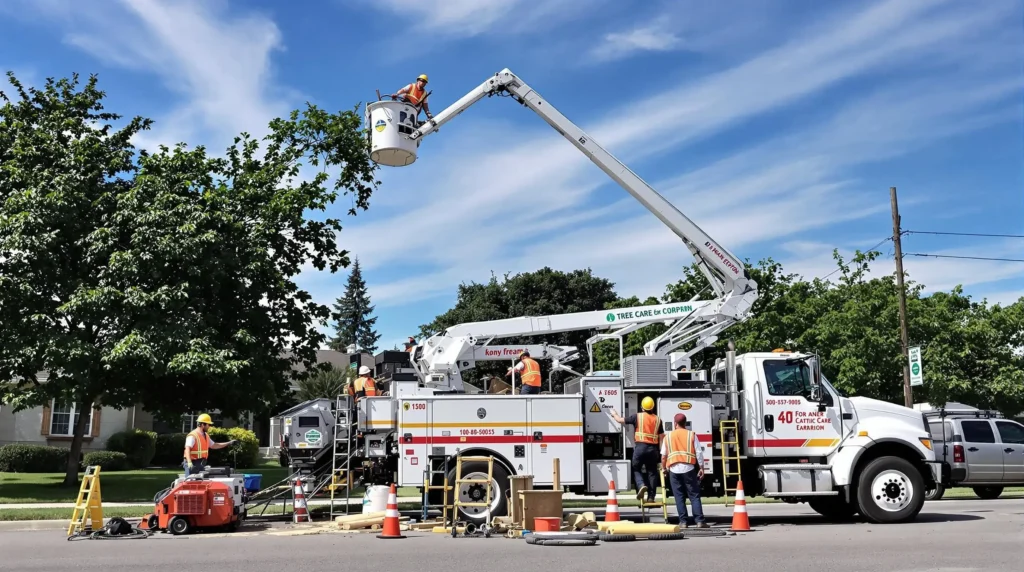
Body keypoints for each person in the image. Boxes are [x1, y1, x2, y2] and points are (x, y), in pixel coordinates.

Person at [609, 397, 663, 503]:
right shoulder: (658, 420)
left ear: (642, 407)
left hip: (640, 448)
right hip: (653, 450)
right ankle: (651, 497)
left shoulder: (637, 417)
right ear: (653, 407)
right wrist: (661, 455)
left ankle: (641, 485)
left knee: (636, 468)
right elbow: (661, 438)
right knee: (652, 472)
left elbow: (620, 420)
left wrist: (614, 414)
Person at [662, 413, 707, 528]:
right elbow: (699, 452)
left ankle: (683, 522)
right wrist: (701, 467)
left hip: (674, 470)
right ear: (685, 423)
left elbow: (663, 456)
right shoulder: (691, 435)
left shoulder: (668, 436)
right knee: (694, 496)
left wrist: (664, 469)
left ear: (675, 423)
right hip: (689, 469)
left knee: (679, 496)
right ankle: (700, 521)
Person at [183, 413, 236, 478]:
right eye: (208, 424)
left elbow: (214, 445)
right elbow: (187, 449)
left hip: (200, 463)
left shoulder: (205, 435)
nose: (209, 426)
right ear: (202, 425)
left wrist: (229, 443)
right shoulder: (193, 435)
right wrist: (189, 462)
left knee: (199, 484)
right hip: (192, 464)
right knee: (190, 483)